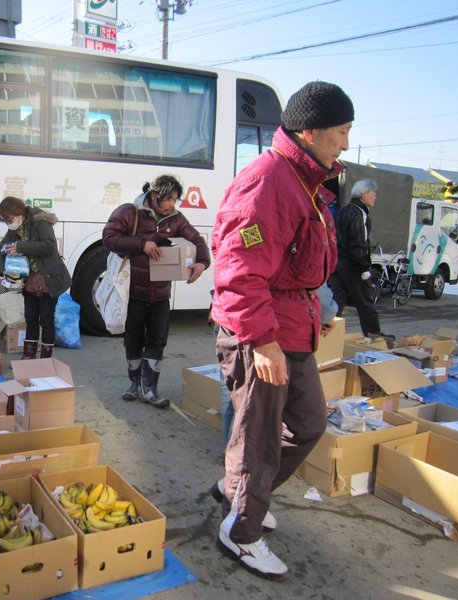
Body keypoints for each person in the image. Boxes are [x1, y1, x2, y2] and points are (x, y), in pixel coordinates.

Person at [210, 81, 352, 579]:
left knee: (310, 422)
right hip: (262, 333)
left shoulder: (305, 181)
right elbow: (238, 272)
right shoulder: (269, 180)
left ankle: (240, 493)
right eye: (341, 132)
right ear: (309, 131)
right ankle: (242, 532)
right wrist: (262, 341)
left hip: (294, 327)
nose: (346, 143)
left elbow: (304, 263)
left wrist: (323, 307)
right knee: (258, 439)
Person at [102, 175, 210, 409]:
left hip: (160, 293)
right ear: (154, 195)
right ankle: (135, 384)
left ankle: (150, 388)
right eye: (168, 199)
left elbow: (197, 240)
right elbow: (109, 238)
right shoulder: (130, 212)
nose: (172, 204)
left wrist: (202, 262)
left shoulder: (176, 219)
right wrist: (141, 244)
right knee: (133, 338)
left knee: (158, 339)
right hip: (133, 291)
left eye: (175, 199)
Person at [0, 196, 72, 359]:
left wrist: (20, 246)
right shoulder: (14, 228)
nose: (9, 223)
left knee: (46, 319)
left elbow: (49, 246)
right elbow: (0, 247)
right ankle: (28, 356)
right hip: (30, 280)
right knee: (30, 318)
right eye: (6, 221)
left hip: (50, 278)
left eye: (9, 219)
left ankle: (46, 358)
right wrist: (4, 270)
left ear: (18, 212)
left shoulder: (40, 220)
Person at [328, 178, 391, 339]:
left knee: (335, 302)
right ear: (364, 195)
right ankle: (375, 337)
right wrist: (364, 268)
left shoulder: (342, 211)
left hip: (337, 263)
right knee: (365, 302)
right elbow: (359, 242)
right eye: (373, 194)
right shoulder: (359, 213)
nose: (375, 197)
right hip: (353, 265)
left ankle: (326, 336)